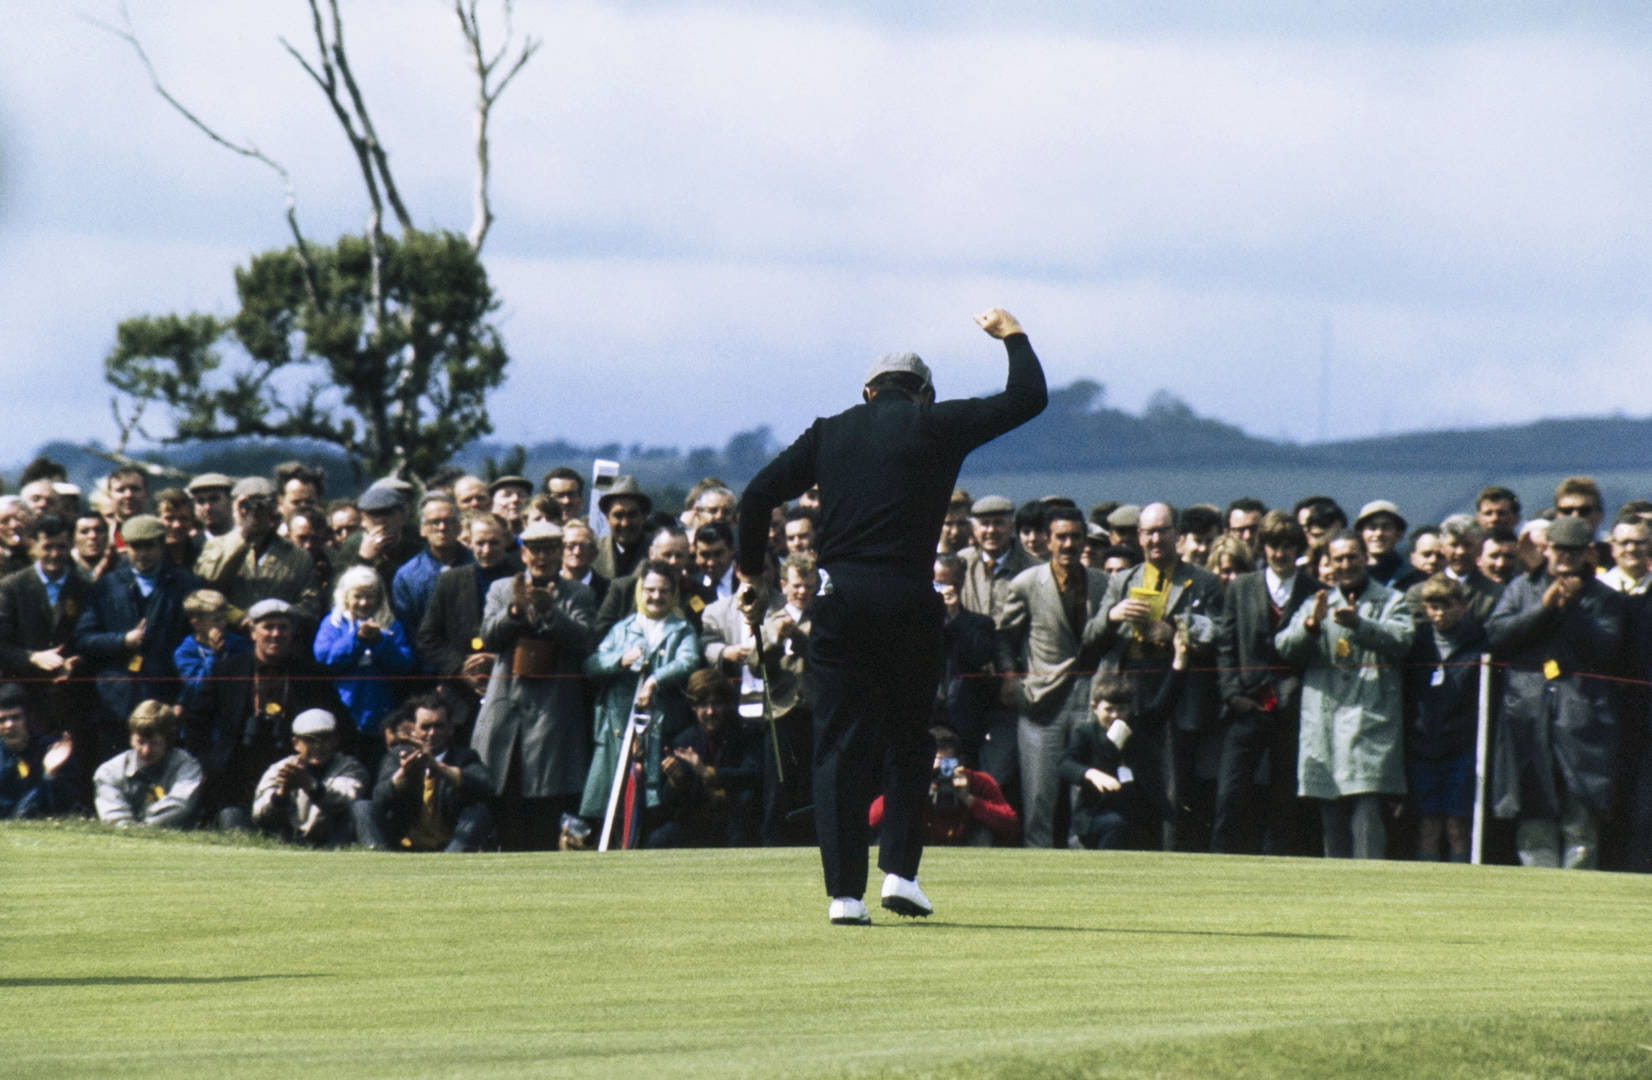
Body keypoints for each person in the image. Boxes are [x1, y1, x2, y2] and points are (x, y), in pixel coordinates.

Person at [736, 307, 1046, 925]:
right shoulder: (938, 423)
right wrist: (1011, 333)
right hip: (910, 601)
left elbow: (755, 496)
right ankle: (901, 874)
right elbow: (1027, 397)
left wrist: (751, 572)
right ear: (923, 393)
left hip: (842, 603)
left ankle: (844, 894)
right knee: (908, 741)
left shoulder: (830, 432)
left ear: (868, 392)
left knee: (841, 750)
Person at [1486, 514, 1624, 869]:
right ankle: (1538, 897)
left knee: (1580, 815)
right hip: (1527, 714)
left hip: (1582, 719)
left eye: (1574, 551)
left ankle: (1579, 898)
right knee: (1533, 814)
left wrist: (1573, 608)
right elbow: (1498, 637)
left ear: (1587, 553)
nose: (1566, 558)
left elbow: (1605, 650)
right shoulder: (1521, 588)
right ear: (1546, 549)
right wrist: (1544, 608)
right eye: (1560, 549)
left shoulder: (1604, 598)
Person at [1275, 530, 1414, 859]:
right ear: (1329, 563)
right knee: (1331, 817)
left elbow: (1403, 639)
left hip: (1370, 719)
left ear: (1365, 558)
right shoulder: (1317, 602)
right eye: (1338, 558)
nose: (1346, 564)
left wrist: (1360, 624)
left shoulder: (1390, 600)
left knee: (1367, 814)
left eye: (1353, 556)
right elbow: (1283, 647)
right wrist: (1310, 625)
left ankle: (1369, 891)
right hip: (1324, 722)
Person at [472, 519, 597, 850]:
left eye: (549, 550)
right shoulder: (502, 589)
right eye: (535, 550)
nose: (542, 558)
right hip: (505, 713)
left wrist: (551, 612)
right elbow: (489, 637)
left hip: (551, 715)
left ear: (560, 553)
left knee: (545, 806)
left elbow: (584, 640)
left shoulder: (578, 593)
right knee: (503, 803)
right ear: (524, 554)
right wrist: (515, 609)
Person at [996, 506, 1108, 849]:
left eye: (1075, 537)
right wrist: (1011, 677)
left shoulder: (1101, 582)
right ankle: (1037, 868)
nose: (1069, 544)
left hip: (1088, 696)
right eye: (1061, 537)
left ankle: (1083, 860)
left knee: (1085, 793)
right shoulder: (1028, 583)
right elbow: (1004, 635)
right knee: (1039, 798)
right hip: (1041, 700)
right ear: (1047, 540)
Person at [1213, 511, 1315, 855]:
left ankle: (1277, 873)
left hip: (1291, 708)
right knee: (1230, 795)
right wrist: (1232, 695)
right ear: (1262, 548)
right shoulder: (1242, 587)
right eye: (1273, 545)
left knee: (1282, 798)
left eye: (1288, 546)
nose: (1280, 553)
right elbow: (1225, 646)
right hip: (1245, 706)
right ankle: (1218, 868)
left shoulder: (1314, 590)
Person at [579, 560, 700, 847]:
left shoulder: (681, 628)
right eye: (650, 590)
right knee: (614, 797)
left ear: (673, 594)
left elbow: (689, 660)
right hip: (619, 728)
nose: (656, 597)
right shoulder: (623, 628)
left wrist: (654, 679)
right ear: (639, 591)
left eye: (663, 591)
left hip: (662, 726)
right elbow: (592, 663)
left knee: (655, 802)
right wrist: (620, 660)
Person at [72, 514, 203, 762]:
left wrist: (183, 697)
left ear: (162, 545)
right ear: (126, 547)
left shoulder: (186, 584)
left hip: (165, 695)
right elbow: (84, 638)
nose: (143, 553)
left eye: (150, 546)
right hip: (117, 700)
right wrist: (122, 641)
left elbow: (197, 645)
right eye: (136, 546)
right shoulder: (106, 586)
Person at [1403, 576, 1486, 862]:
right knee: (1428, 822)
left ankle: (1460, 884)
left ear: (1462, 606)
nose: (1439, 614)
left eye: (1446, 606)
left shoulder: (1478, 640)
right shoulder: (1418, 640)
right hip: (1422, 744)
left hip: (1461, 747)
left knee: (1456, 824)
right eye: (1433, 607)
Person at [312, 565, 416, 764]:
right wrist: (356, 639)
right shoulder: (333, 623)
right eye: (357, 597)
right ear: (345, 597)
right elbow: (324, 658)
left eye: (370, 597)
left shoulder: (391, 624)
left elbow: (404, 664)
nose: (364, 602)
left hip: (381, 709)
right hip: (344, 707)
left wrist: (380, 642)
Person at [367, 692, 494, 852]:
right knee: (362, 807)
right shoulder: (397, 756)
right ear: (413, 729)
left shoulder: (465, 757)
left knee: (478, 812)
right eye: (425, 727)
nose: (432, 733)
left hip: (449, 843)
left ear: (450, 729)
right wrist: (400, 777)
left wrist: (441, 768)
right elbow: (378, 798)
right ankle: (380, 859)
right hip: (404, 843)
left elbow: (486, 787)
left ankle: (453, 861)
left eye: (438, 726)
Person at [652, 669, 764, 847]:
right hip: (699, 825)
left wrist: (706, 772)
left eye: (717, 704)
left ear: (728, 704)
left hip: (737, 822)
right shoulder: (684, 740)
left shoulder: (746, 733)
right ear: (693, 707)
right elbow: (669, 805)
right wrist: (676, 781)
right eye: (703, 705)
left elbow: (754, 774)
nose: (711, 712)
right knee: (660, 839)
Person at [869, 726, 1019, 846]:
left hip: (965, 843)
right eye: (934, 751)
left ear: (958, 759)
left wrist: (969, 799)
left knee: (983, 834)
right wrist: (915, 791)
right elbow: (873, 819)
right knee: (891, 830)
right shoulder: (911, 780)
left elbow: (1010, 824)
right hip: (921, 843)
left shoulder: (977, 781)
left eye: (944, 749)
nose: (939, 757)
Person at [250, 708, 370, 846]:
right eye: (310, 741)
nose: (318, 746)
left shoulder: (350, 767)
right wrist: (282, 794)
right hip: (286, 839)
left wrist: (309, 785)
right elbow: (258, 814)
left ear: (335, 740)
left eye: (325, 739)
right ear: (296, 743)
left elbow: (345, 799)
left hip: (333, 839)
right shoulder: (280, 768)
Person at [92, 699, 202, 828]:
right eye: (140, 742)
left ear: (168, 741)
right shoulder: (109, 771)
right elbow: (113, 815)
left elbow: (180, 803)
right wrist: (129, 829)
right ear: (131, 738)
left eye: (154, 743)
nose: (146, 751)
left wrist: (146, 828)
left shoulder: (187, 766)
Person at [0, 683, 78, 818]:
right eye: (2, 720)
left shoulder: (53, 750)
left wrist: (50, 774)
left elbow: (67, 806)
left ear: (27, 719)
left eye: (16, 717)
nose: (9, 725)